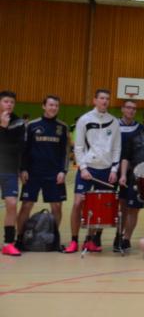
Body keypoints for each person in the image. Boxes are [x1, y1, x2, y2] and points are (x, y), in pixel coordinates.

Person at [64, 88, 121, 253]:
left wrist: (114, 169)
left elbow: (117, 147)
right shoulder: (84, 120)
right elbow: (79, 147)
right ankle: (74, 241)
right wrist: (82, 168)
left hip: (107, 170)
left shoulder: (114, 121)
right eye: (102, 98)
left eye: (107, 99)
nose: (105, 101)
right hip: (88, 169)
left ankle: (89, 240)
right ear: (95, 100)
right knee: (78, 203)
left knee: (100, 206)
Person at [17, 95, 69, 249]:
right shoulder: (32, 125)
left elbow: (65, 152)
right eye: (51, 105)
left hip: (54, 173)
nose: (54, 108)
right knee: (26, 205)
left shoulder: (62, 127)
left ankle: (53, 240)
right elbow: (24, 149)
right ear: (43, 106)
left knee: (57, 207)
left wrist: (63, 171)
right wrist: (23, 169)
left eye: (56, 105)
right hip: (33, 173)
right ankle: (19, 239)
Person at [116, 106, 144, 252]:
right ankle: (126, 239)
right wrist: (123, 175)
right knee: (133, 210)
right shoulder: (134, 135)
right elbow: (126, 157)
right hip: (136, 178)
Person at [0, 90, 26, 256]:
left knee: (11, 204)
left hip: (9, 169)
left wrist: (22, 169)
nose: (9, 105)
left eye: (12, 102)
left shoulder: (18, 122)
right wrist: (2, 127)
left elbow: (20, 147)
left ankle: (8, 243)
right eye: (6, 101)